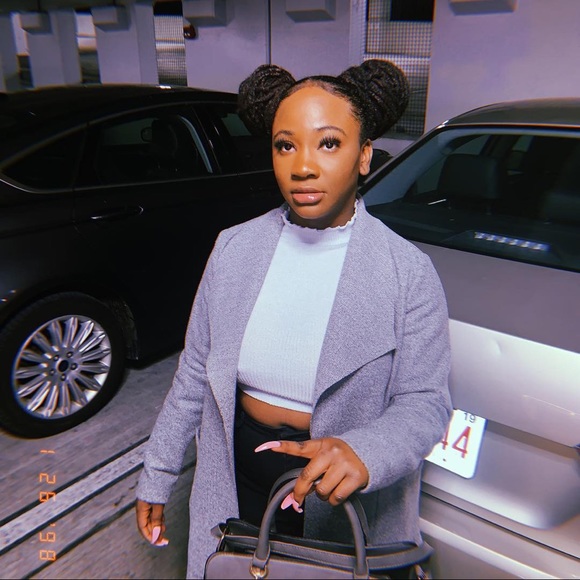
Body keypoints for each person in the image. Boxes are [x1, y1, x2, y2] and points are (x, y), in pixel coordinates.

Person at [135, 59, 452, 579]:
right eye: (286, 145)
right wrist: (159, 471)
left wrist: (365, 451)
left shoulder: (407, 272)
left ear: (364, 155)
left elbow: (425, 401)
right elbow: (195, 371)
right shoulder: (234, 248)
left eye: (328, 143)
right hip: (236, 477)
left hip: (340, 498)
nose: (303, 166)